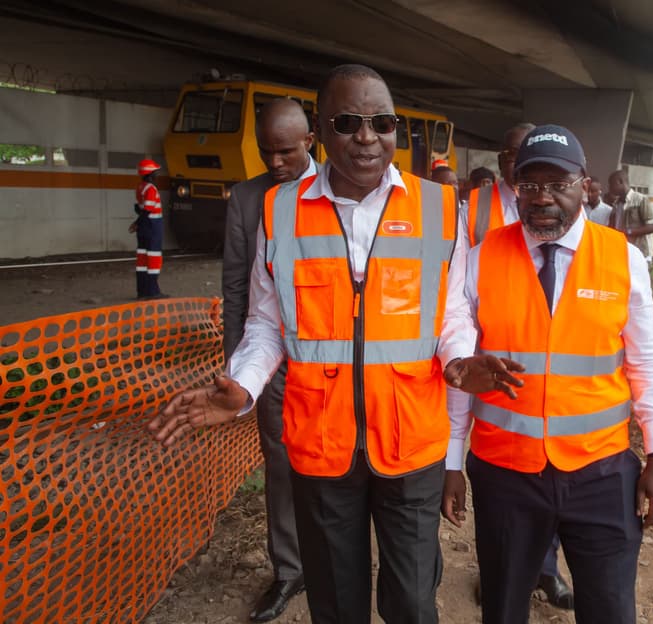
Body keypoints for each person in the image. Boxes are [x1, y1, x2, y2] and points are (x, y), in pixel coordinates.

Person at [148, 63, 516, 623]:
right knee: (337, 604)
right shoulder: (281, 211)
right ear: (319, 131)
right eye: (348, 123)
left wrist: (459, 358)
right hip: (321, 443)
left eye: (381, 122)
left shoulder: (441, 208)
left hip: (411, 444)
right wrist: (243, 386)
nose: (367, 137)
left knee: (413, 602)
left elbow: (452, 313)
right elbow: (267, 321)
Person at [443, 124, 653, 624]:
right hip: (505, 474)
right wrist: (451, 461)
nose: (542, 197)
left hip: (602, 472)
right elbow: (463, 371)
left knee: (610, 608)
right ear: (515, 188)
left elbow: (647, 362)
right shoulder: (482, 260)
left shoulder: (622, 259)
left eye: (558, 184)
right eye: (529, 185)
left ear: (584, 185)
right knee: (503, 608)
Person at [456, 121, 574, 609]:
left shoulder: (557, 202)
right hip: (494, 350)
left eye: (521, 153)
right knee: (504, 502)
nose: (513, 161)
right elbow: (461, 282)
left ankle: (546, 570)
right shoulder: (475, 206)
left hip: (549, 365)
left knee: (552, 476)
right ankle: (503, 574)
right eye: (508, 154)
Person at [222, 98, 315, 623]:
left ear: (310, 142)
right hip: (273, 363)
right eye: (266, 152)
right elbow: (237, 289)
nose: (275, 162)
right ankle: (289, 569)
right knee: (280, 467)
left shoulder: (342, 188)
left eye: (286, 152)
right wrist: (241, 377)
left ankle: (338, 556)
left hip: (336, 364)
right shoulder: (246, 199)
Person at [131, 159, 165, 299]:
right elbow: (148, 210)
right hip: (152, 227)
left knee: (142, 260)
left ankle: (142, 291)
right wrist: (137, 223)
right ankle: (153, 292)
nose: (157, 175)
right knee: (153, 259)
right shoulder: (151, 189)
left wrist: (138, 223)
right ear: (150, 174)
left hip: (144, 228)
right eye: (155, 172)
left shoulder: (140, 187)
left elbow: (139, 208)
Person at [608, 169, 653, 262]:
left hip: (640, 253)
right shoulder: (616, 204)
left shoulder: (641, 200)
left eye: (611, 184)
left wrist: (628, 231)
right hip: (623, 251)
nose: (609, 188)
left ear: (620, 182)